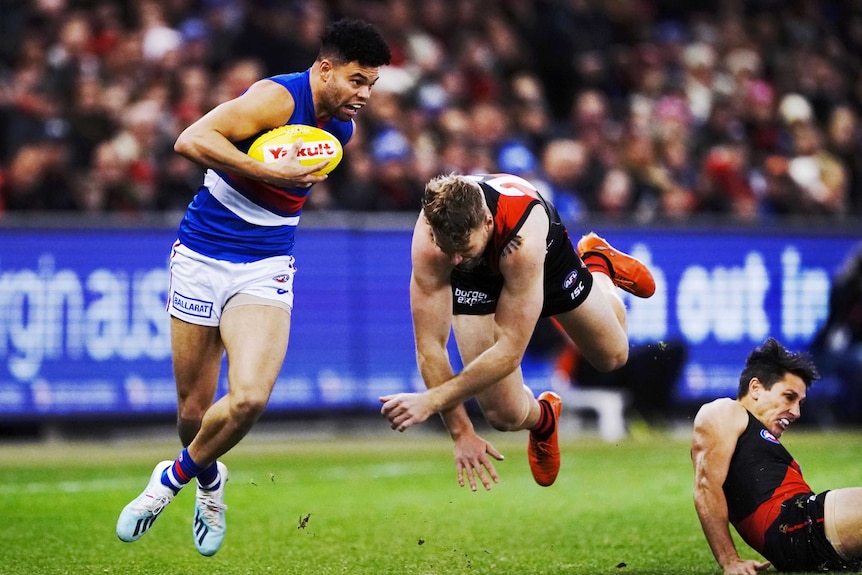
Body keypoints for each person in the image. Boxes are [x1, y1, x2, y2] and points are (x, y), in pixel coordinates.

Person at [116, 18, 391, 555]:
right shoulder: (274, 99)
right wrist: (264, 171)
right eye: (358, 81)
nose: (365, 95)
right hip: (200, 255)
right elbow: (190, 139)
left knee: (248, 399)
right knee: (193, 415)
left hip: (265, 266)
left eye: (373, 85)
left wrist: (276, 180)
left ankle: (168, 483)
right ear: (326, 69)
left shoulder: (342, 128)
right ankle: (211, 482)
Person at [379, 173, 655, 491]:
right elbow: (430, 345)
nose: (454, 259)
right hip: (476, 277)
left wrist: (432, 400)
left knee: (613, 357)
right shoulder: (433, 241)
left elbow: (510, 351)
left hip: (544, 262)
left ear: (485, 221)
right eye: (447, 248)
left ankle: (598, 266)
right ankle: (544, 417)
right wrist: (461, 432)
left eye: (462, 248)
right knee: (503, 416)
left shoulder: (523, 239)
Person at [691, 337, 862, 574]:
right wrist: (729, 559)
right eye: (789, 397)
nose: (796, 412)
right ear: (756, 388)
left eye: (800, 402)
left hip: (806, 532)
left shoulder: (760, 440)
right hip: (795, 527)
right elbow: (705, 486)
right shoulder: (724, 411)